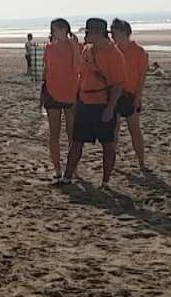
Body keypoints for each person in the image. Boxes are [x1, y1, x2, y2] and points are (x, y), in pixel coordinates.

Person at [60, 18, 126, 188]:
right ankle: (67, 177)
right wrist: (77, 99)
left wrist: (110, 108)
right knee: (76, 141)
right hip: (85, 102)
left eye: (88, 33)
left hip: (103, 104)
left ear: (98, 34)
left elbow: (119, 84)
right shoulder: (87, 50)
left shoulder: (114, 54)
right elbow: (81, 75)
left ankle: (105, 182)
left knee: (108, 145)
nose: (86, 36)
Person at [40, 18, 79, 180]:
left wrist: (75, 47)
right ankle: (57, 168)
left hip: (70, 92)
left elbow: (78, 67)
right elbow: (46, 70)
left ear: (65, 30)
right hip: (51, 92)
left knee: (72, 133)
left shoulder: (73, 46)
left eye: (59, 29)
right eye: (54, 30)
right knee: (54, 133)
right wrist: (42, 94)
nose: (56, 33)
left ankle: (72, 168)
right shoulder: (49, 48)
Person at [111, 19, 149, 171]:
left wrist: (138, 97)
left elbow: (141, 77)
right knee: (113, 131)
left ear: (123, 33)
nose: (113, 36)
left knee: (135, 130)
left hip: (130, 95)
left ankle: (141, 163)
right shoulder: (112, 50)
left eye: (115, 33)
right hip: (114, 95)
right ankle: (111, 163)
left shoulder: (139, 52)